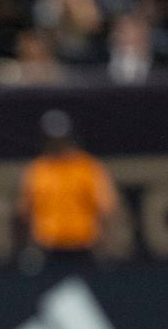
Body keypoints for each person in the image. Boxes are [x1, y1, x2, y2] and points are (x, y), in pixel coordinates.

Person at [18, 109, 119, 274]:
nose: (58, 145)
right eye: (53, 140)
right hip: (49, 250)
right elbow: (24, 211)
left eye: (61, 140)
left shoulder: (87, 168)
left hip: (84, 248)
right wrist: (30, 248)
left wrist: (105, 246)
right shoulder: (38, 170)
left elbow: (107, 208)